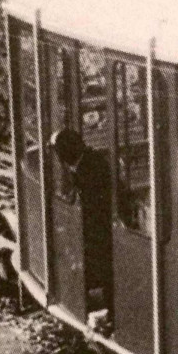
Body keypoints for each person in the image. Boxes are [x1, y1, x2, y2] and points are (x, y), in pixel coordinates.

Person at [50, 128, 114, 325]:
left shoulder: (89, 167)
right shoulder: (86, 161)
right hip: (99, 224)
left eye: (57, 153)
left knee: (101, 263)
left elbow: (90, 204)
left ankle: (108, 310)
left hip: (103, 226)